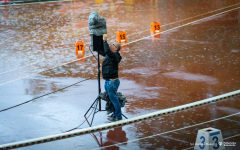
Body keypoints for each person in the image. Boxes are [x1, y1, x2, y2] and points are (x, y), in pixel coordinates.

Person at [102, 34, 122, 122]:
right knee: (111, 99)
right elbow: (103, 50)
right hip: (107, 81)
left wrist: (105, 40)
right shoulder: (110, 54)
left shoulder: (115, 56)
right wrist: (100, 40)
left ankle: (118, 116)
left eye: (113, 44)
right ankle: (114, 114)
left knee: (114, 99)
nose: (111, 45)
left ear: (115, 49)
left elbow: (107, 51)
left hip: (112, 82)